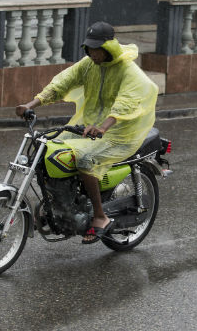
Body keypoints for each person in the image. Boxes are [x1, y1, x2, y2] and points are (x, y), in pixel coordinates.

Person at [15, 21, 158, 244]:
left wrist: (104, 127)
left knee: (84, 158)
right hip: (89, 128)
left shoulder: (129, 71)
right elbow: (63, 82)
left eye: (96, 49)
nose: (92, 53)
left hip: (120, 132)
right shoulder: (89, 64)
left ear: (109, 47)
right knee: (48, 150)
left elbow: (126, 102)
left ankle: (100, 217)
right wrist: (32, 104)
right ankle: (58, 206)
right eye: (89, 48)